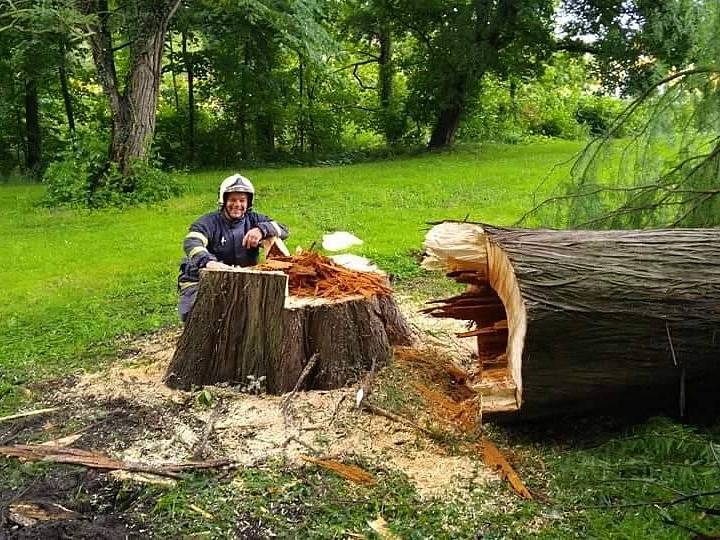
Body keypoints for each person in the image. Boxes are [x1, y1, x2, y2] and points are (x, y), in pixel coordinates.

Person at [177, 173, 289, 322]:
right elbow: (192, 242)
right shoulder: (208, 222)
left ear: (248, 203)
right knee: (198, 315)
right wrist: (208, 262)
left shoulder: (254, 219)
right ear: (223, 201)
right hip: (202, 278)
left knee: (251, 317)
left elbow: (283, 229)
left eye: (242, 200)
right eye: (232, 200)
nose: (237, 204)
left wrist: (262, 230)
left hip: (243, 277)